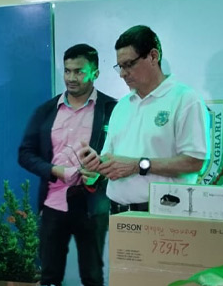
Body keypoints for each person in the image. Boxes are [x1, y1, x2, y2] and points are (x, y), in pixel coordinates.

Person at [18, 43, 117, 286]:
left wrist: (98, 172)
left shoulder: (112, 110)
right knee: (49, 280)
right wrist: (53, 171)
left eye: (80, 71)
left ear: (95, 73)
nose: (72, 77)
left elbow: (121, 155)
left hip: (91, 206)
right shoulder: (46, 111)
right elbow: (25, 152)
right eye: (68, 70)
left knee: (92, 278)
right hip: (53, 204)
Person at [81, 25, 210, 213]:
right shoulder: (122, 105)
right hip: (118, 213)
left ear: (153, 56)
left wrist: (138, 165)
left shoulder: (185, 99)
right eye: (120, 67)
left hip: (163, 213)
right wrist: (96, 169)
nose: (123, 73)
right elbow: (112, 159)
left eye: (129, 64)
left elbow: (195, 161)